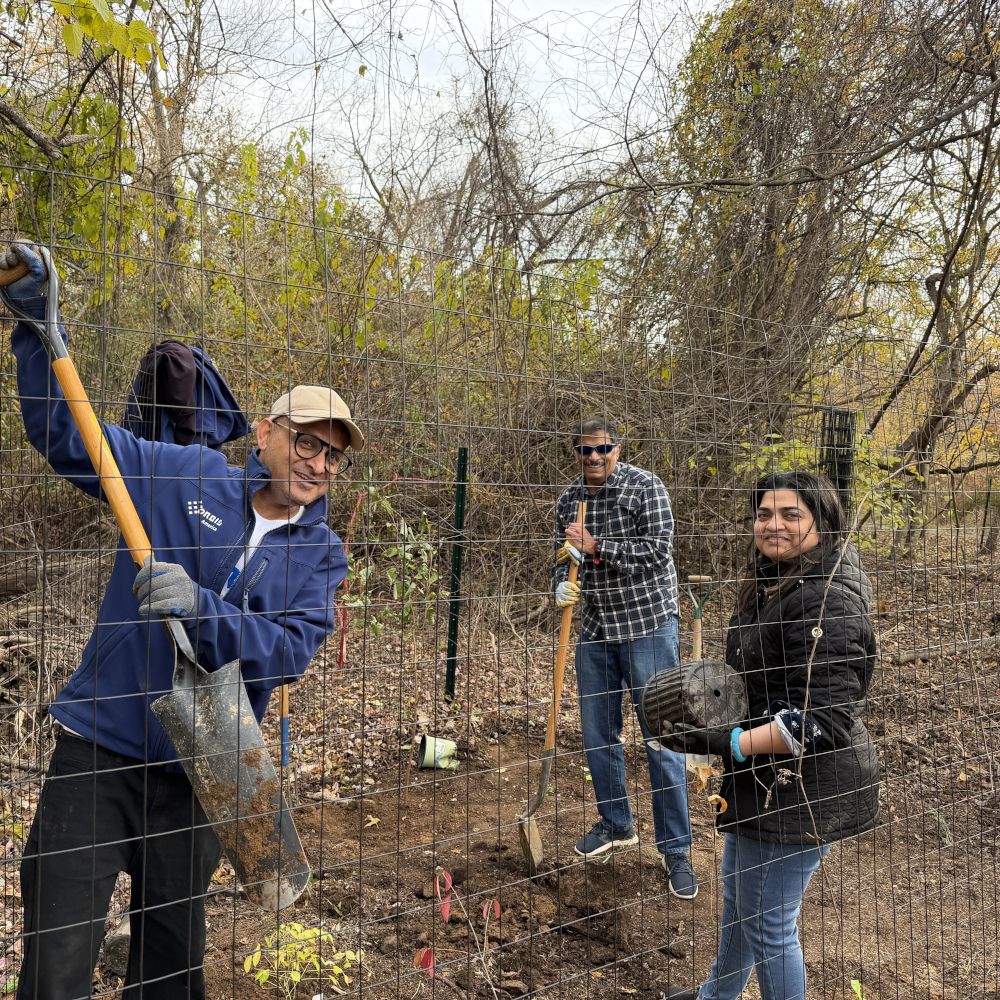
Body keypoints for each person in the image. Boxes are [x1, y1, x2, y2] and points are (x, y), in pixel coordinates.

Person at [4, 244, 363, 1000]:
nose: (318, 464)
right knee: (57, 956)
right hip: (101, 745)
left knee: (170, 968)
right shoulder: (180, 473)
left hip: (208, 770)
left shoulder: (321, 555)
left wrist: (205, 611)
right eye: (306, 441)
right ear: (263, 433)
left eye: (333, 457)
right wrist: (38, 336)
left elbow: (287, 652)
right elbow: (74, 440)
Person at [662, 472, 880, 1000]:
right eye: (764, 514)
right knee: (741, 903)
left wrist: (733, 743)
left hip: (804, 786)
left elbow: (823, 721)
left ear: (821, 522)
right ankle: (718, 996)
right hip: (765, 780)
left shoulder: (828, 598)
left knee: (769, 924)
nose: (773, 524)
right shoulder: (780, 577)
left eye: (790, 514)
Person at [552, 416, 697, 898]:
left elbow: (658, 552)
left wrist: (598, 548)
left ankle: (675, 850)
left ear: (618, 447)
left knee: (662, 735)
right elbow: (563, 556)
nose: (594, 458)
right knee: (597, 735)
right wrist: (562, 586)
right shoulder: (571, 500)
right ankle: (617, 824)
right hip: (594, 626)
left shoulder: (644, 487)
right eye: (584, 450)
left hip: (648, 624)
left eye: (603, 449)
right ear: (575, 452)